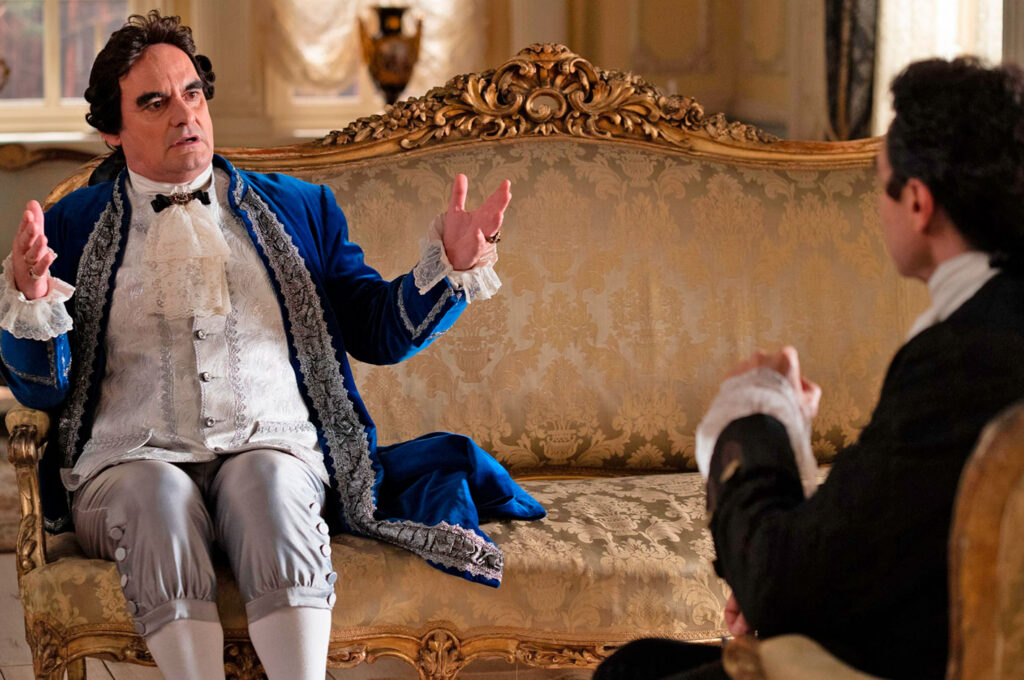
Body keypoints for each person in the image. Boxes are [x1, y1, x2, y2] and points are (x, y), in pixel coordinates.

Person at [0, 11, 544, 680]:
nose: (184, 114)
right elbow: (43, 389)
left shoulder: (299, 208)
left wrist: (449, 268)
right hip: (125, 464)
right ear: (112, 130)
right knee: (154, 498)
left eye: (192, 92)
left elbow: (376, 329)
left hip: (272, 446)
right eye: (154, 102)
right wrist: (31, 297)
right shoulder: (70, 226)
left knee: (270, 484)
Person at [595, 56, 1024, 680]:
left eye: (880, 185)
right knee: (643, 663)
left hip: (926, 659)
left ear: (918, 203)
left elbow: (781, 584)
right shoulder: (991, 321)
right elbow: (898, 523)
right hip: (936, 623)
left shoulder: (961, 358)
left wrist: (759, 412)